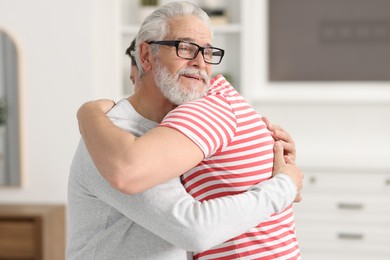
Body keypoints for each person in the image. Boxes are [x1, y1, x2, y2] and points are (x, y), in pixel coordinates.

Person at [69, 2, 303, 260]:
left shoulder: (185, 131)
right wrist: (284, 186)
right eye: (186, 48)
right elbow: (194, 230)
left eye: (208, 51)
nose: (200, 62)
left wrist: (271, 156)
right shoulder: (110, 139)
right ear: (146, 56)